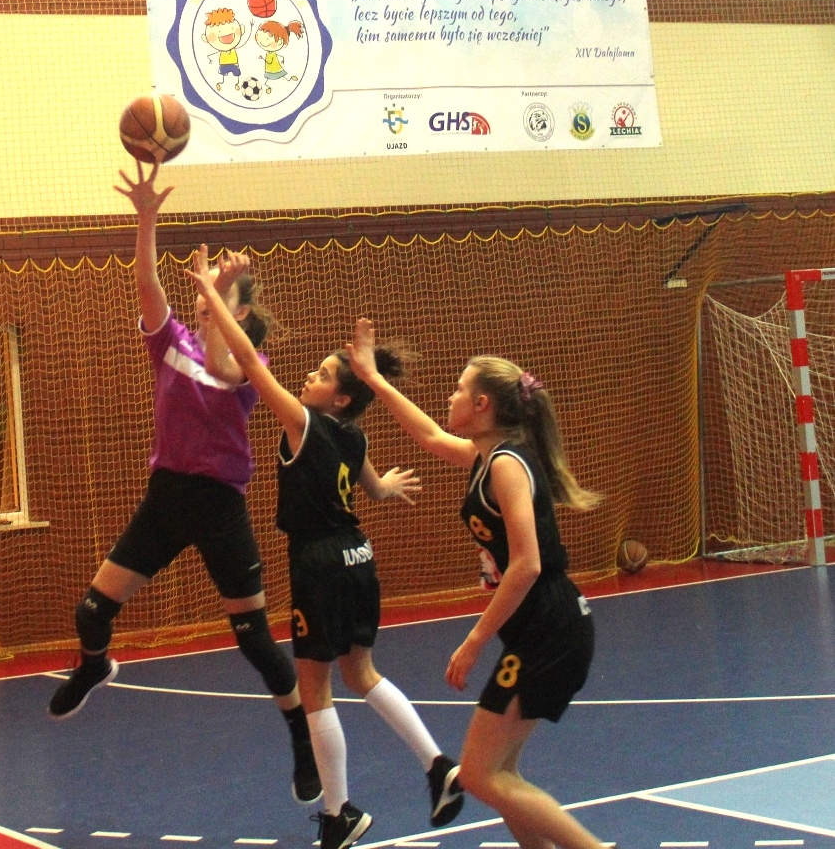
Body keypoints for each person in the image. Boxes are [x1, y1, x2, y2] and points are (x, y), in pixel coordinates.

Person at [46, 163, 321, 807]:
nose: (204, 299)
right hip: (167, 496)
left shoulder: (250, 364)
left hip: (220, 505)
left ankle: (302, 739)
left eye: (219, 296)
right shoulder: (169, 343)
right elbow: (147, 284)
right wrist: (146, 220)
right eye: (203, 294)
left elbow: (224, 364)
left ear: (239, 310)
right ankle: (95, 664)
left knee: (255, 641)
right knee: (92, 611)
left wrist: (218, 294)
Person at [190, 258, 464, 849]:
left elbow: (250, 367)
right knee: (363, 672)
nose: (308, 378)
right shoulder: (353, 435)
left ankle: (339, 814)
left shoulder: (303, 423)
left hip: (318, 562)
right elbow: (370, 487)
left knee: (315, 691)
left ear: (338, 398)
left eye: (320, 375)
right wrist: (386, 487)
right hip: (359, 557)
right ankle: (438, 764)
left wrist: (212, 298)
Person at [345, 321, 606, 849]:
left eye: (459, 389)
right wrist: (373, 378)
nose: (451, 396)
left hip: (551, 626)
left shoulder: (507, 466)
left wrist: (473, 640)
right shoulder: (487, 457)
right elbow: (428, 435)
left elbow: (527, 565)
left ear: (483, 404)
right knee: (499, 775)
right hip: (542, 628)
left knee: (481, 776)